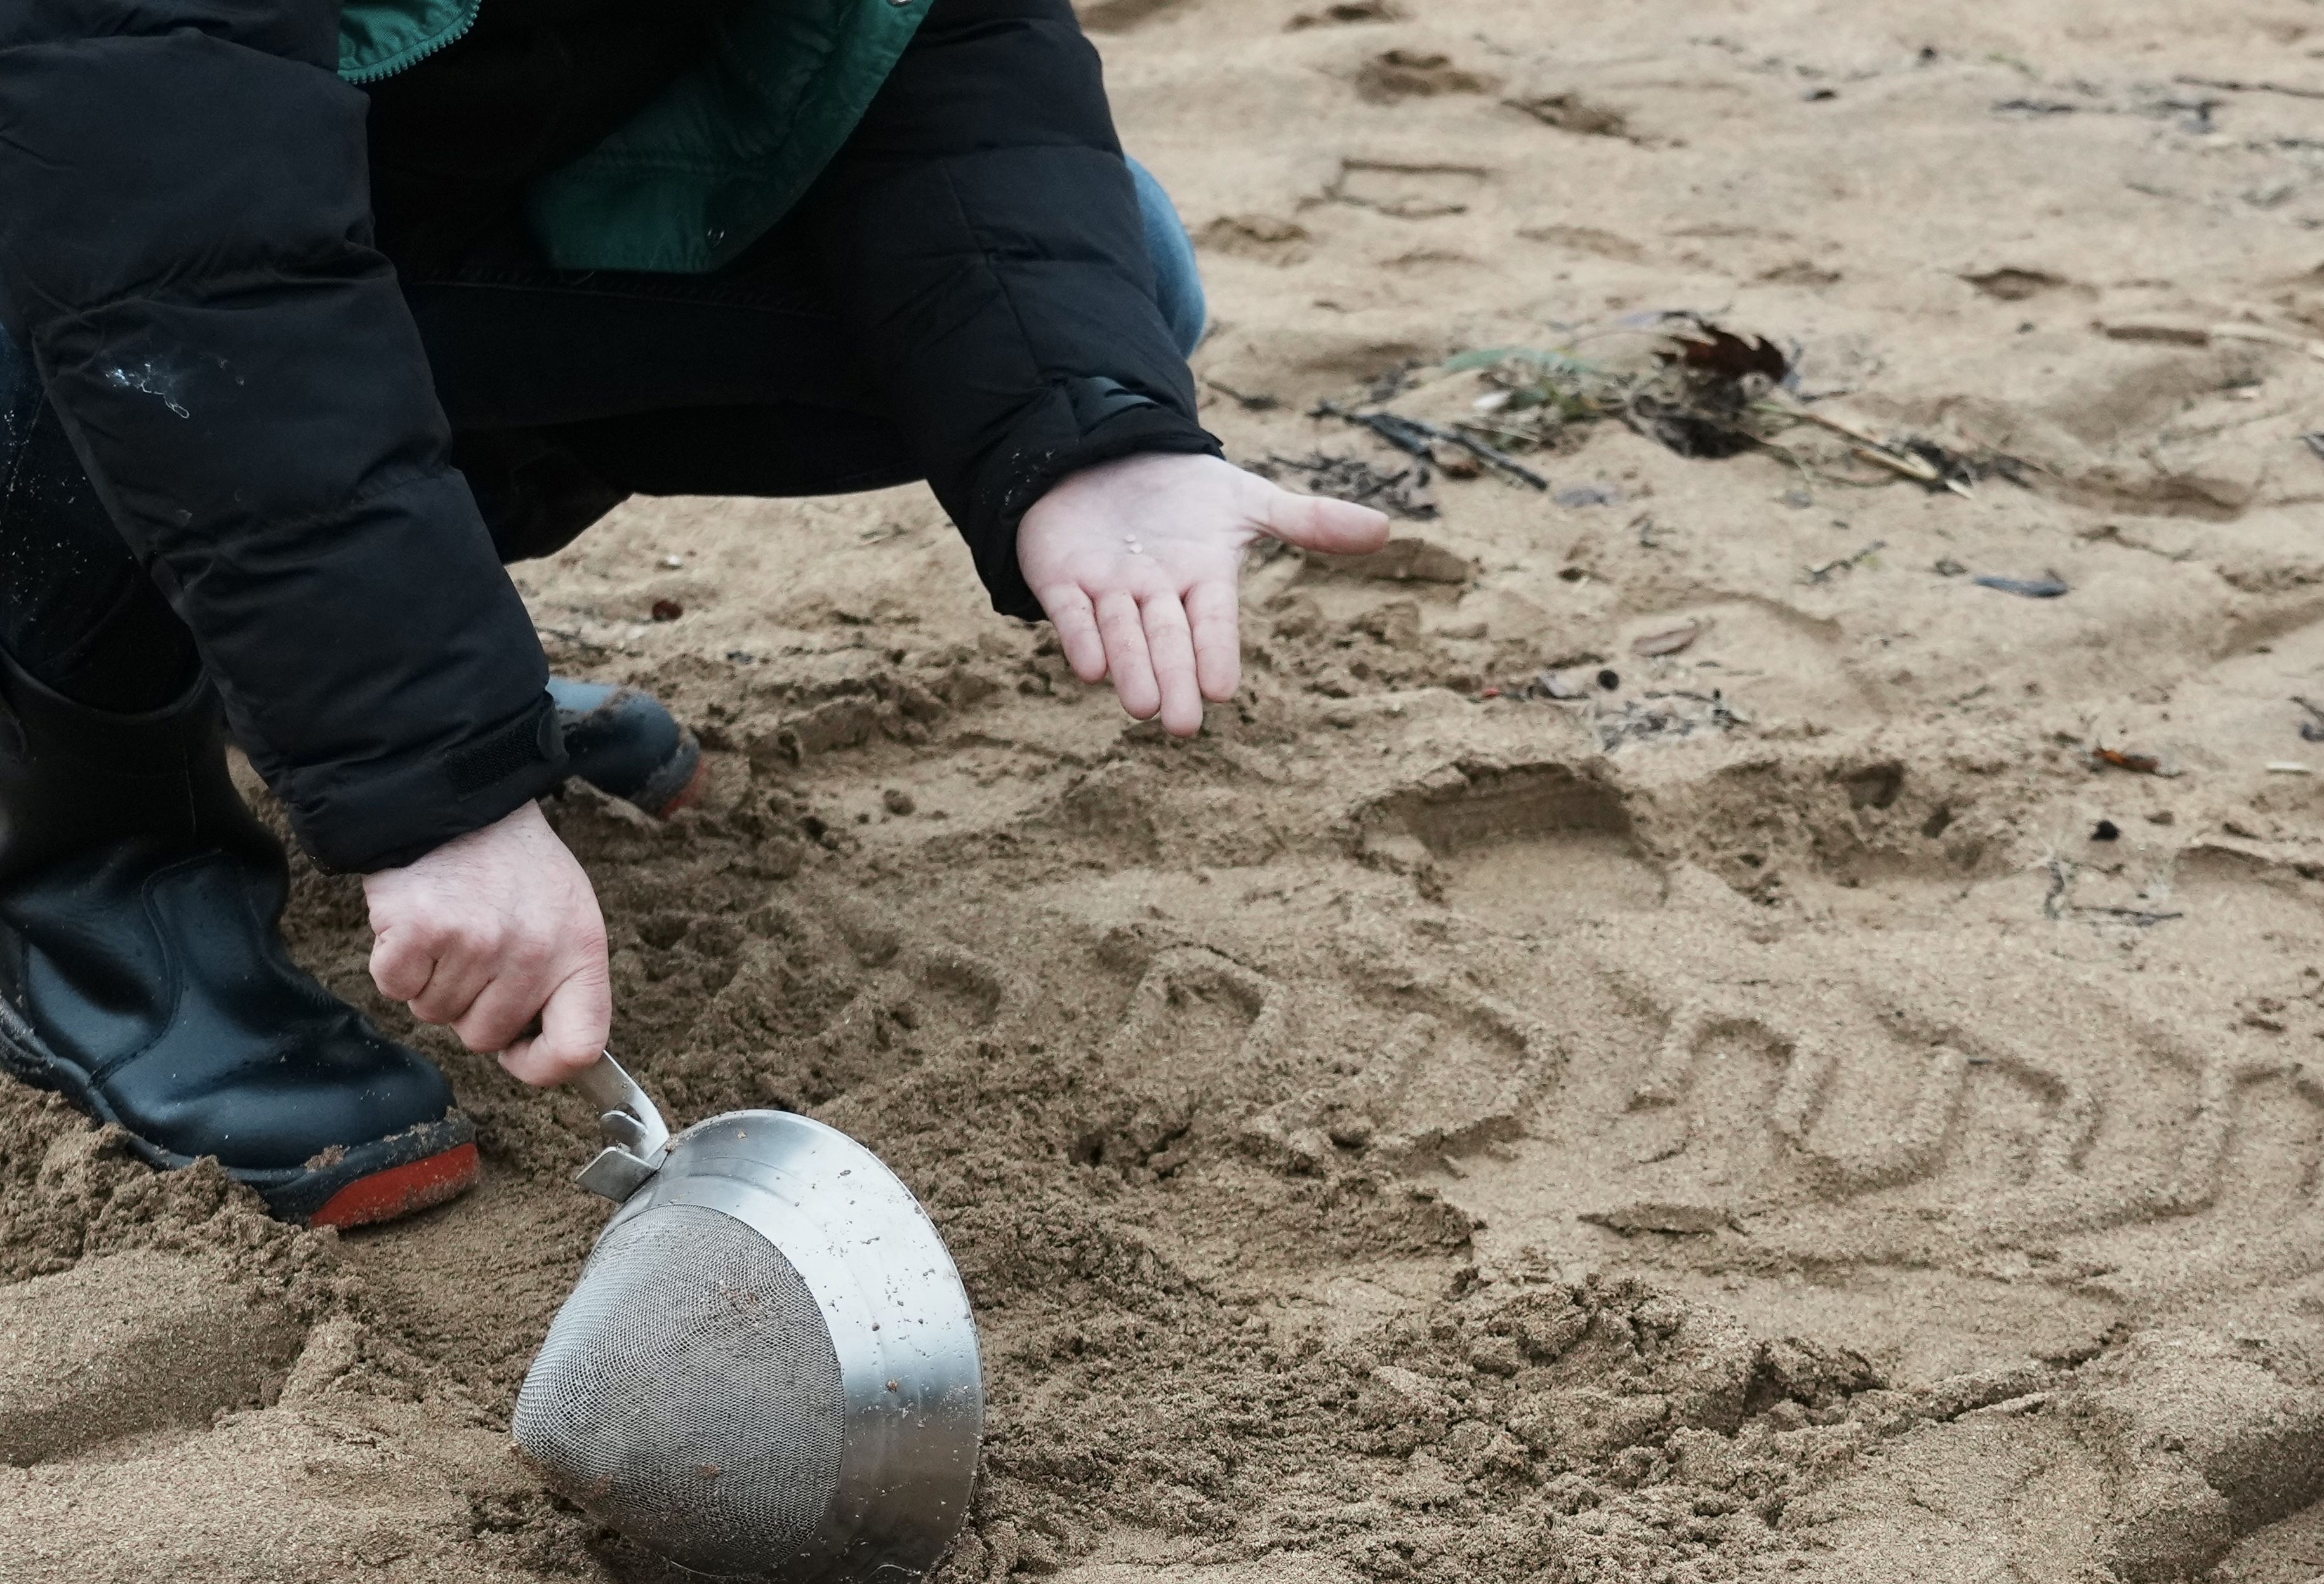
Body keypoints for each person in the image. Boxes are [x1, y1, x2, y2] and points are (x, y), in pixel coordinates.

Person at [0, 0, 1390, 1227]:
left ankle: (283, 658)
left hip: (352, 187)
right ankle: (86, 870)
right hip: (91, 174)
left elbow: (923, 34)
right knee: (99, 249)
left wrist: (1085, 422)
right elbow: (179, 253)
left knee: (1109, 281)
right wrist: (437, 789)